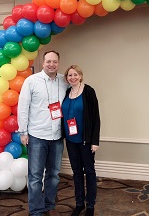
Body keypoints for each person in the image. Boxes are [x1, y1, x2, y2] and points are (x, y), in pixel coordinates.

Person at [18, 50, 69, 216]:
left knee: (53, 175)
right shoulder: (31, 81)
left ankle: (49, 205)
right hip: (37, 135)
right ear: (43, 62)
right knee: (35, 177)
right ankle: (36, 210)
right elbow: (23, 107)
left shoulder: (64, 81)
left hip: (57, 136)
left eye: (55, 62)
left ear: (58, 63)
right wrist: (23, 132)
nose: (51, 64)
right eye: (48, 61)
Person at [61, 65, 100, 216]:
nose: (72, 77)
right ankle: (79, 204)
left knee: (89, 172)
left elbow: (96, 117)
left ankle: (90, 206)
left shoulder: (88, 91)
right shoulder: (67, 92)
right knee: (76, 173)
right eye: (69, 75)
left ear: (81, 76)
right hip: (71, 140)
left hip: (86, 141)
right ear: (67, 78)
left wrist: (95, 141)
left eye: (75, 74)